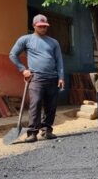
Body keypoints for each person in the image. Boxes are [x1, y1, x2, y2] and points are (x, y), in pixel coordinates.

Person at [9, 14, 65, 142]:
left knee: (51, 106)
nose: (43, 29)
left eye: (45, 26)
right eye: (40, 26)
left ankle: (46, 131)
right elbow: (13, 54)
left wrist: (61, 77)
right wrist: (23, 70)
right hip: (36, 78)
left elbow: (59, 60)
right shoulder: (26, 39)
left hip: (52, 78)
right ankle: (32, 133)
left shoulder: (54, 42)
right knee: (36, 103)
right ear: (34, 26)